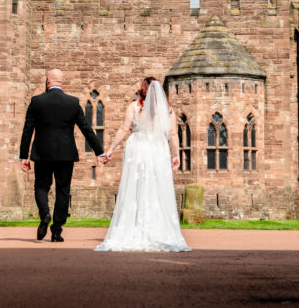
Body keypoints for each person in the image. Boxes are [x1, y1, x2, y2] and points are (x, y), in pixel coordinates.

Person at [95, 77, 190, 252]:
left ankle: (134, 228)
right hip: (158, 150)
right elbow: (173, 134)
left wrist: (110, 150)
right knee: (157, 188)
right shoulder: (168, 111)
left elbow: (124, 129)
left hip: (138, 149)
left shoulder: (134, 107)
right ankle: (157, 230)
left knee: (135, 188)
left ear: (143, 89)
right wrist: (175, 154)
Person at [19, 68, 106, 242]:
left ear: (47, 81)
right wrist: (99, 151)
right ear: (62, 82)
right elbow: (86, 129)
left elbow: (27, 130)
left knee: (41, 187)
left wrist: (24, 156)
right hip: (65, 154)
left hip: (42, 153)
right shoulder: (72, 103)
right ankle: (57, 231)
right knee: (63, 191)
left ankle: (45, 213)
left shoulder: (36, 101)